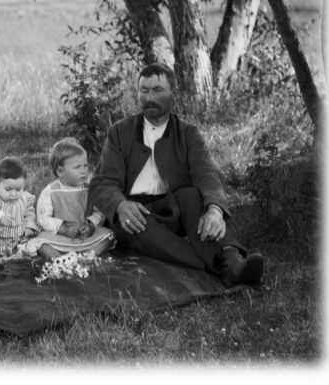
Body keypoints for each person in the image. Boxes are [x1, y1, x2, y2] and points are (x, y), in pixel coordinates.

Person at [89, 63, 264, 287]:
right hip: (134, 215)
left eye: (157, 90)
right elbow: (102, 182)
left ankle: (230, 256)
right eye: (144, 90)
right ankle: (224, 265)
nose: (149, 97)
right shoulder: (119, 132)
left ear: (174, 93)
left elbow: (207, 173)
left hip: (174, 209)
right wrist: (120, 205)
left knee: (192, 196)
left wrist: (215, 210)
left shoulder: (188, 133)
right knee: (138, 224)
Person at [27, 137, 115, 259]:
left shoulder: (90, 189)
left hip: (84, 236)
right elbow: (43, 219)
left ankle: (87, 256)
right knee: (40, 244)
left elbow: (99, 212)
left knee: (109, 236)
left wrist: (91, 225)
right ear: (60, 172)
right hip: (59, 236)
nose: (84, 171)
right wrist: (63, 228)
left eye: (85, 165)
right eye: (77, 167)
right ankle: (58, 258)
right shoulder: (51, 191)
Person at [0, 157, 38, 261]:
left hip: (17, 235)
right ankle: (4, 260)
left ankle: (19, 255)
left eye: (18, 189)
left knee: (30, 245)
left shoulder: (25, 198)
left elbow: (29, 211)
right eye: (8, 189)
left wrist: (30, 226)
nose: (13, 194)